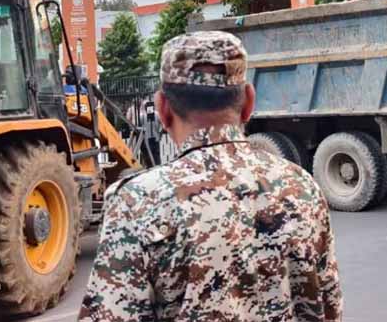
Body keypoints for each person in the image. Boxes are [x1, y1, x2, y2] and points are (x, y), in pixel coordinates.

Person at [80, 30, 343, 322]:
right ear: (248, 103)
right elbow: (326, 307)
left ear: (163, 109)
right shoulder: (301, 186)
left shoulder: (136, 202)